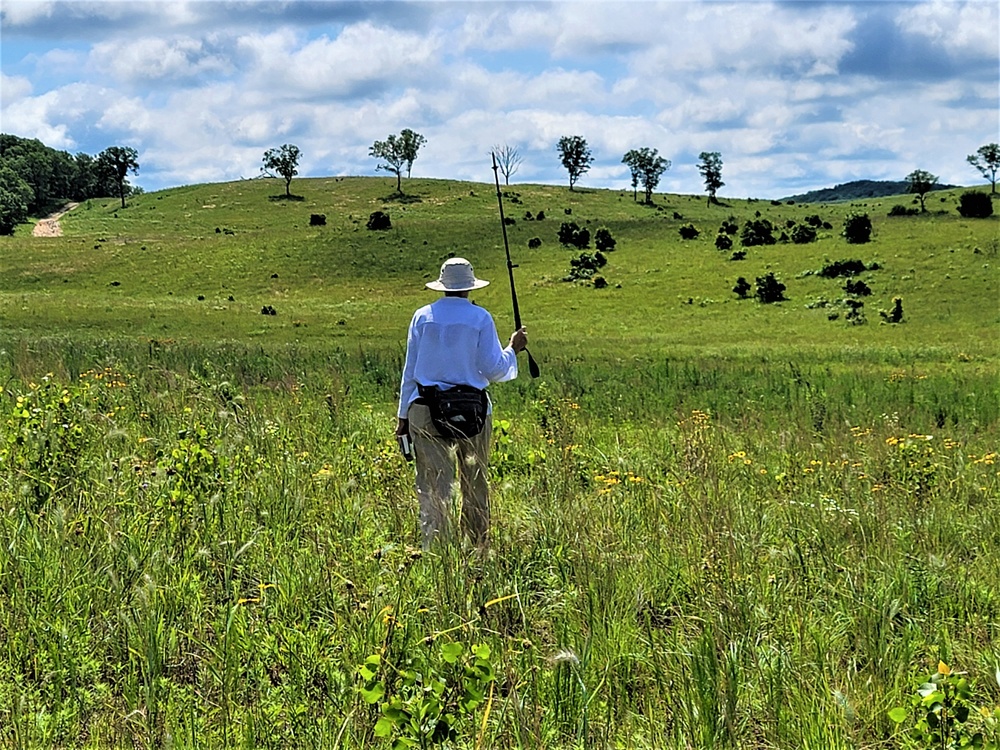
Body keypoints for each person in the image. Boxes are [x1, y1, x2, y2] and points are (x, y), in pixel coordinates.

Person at [396, 257, 528, 550]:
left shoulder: (421, 316)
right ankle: (476, 549)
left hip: (424, 408)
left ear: (443, 286)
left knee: (433, 486)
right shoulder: (480, 318)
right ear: (470, 286)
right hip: (473, 411)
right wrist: (513, 349)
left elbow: (410, 369)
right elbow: (493, 369)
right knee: (475, 484)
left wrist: (403, 416)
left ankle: (437, 552)